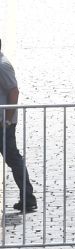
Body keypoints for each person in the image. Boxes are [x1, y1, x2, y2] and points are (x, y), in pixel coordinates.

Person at [0, 36, 37, 214]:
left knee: (13, 159)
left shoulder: (2, 66)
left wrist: (7, 120)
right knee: (13, 158)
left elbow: (13, 92)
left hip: (2, 123)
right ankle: (28, 198)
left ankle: (28, 198)